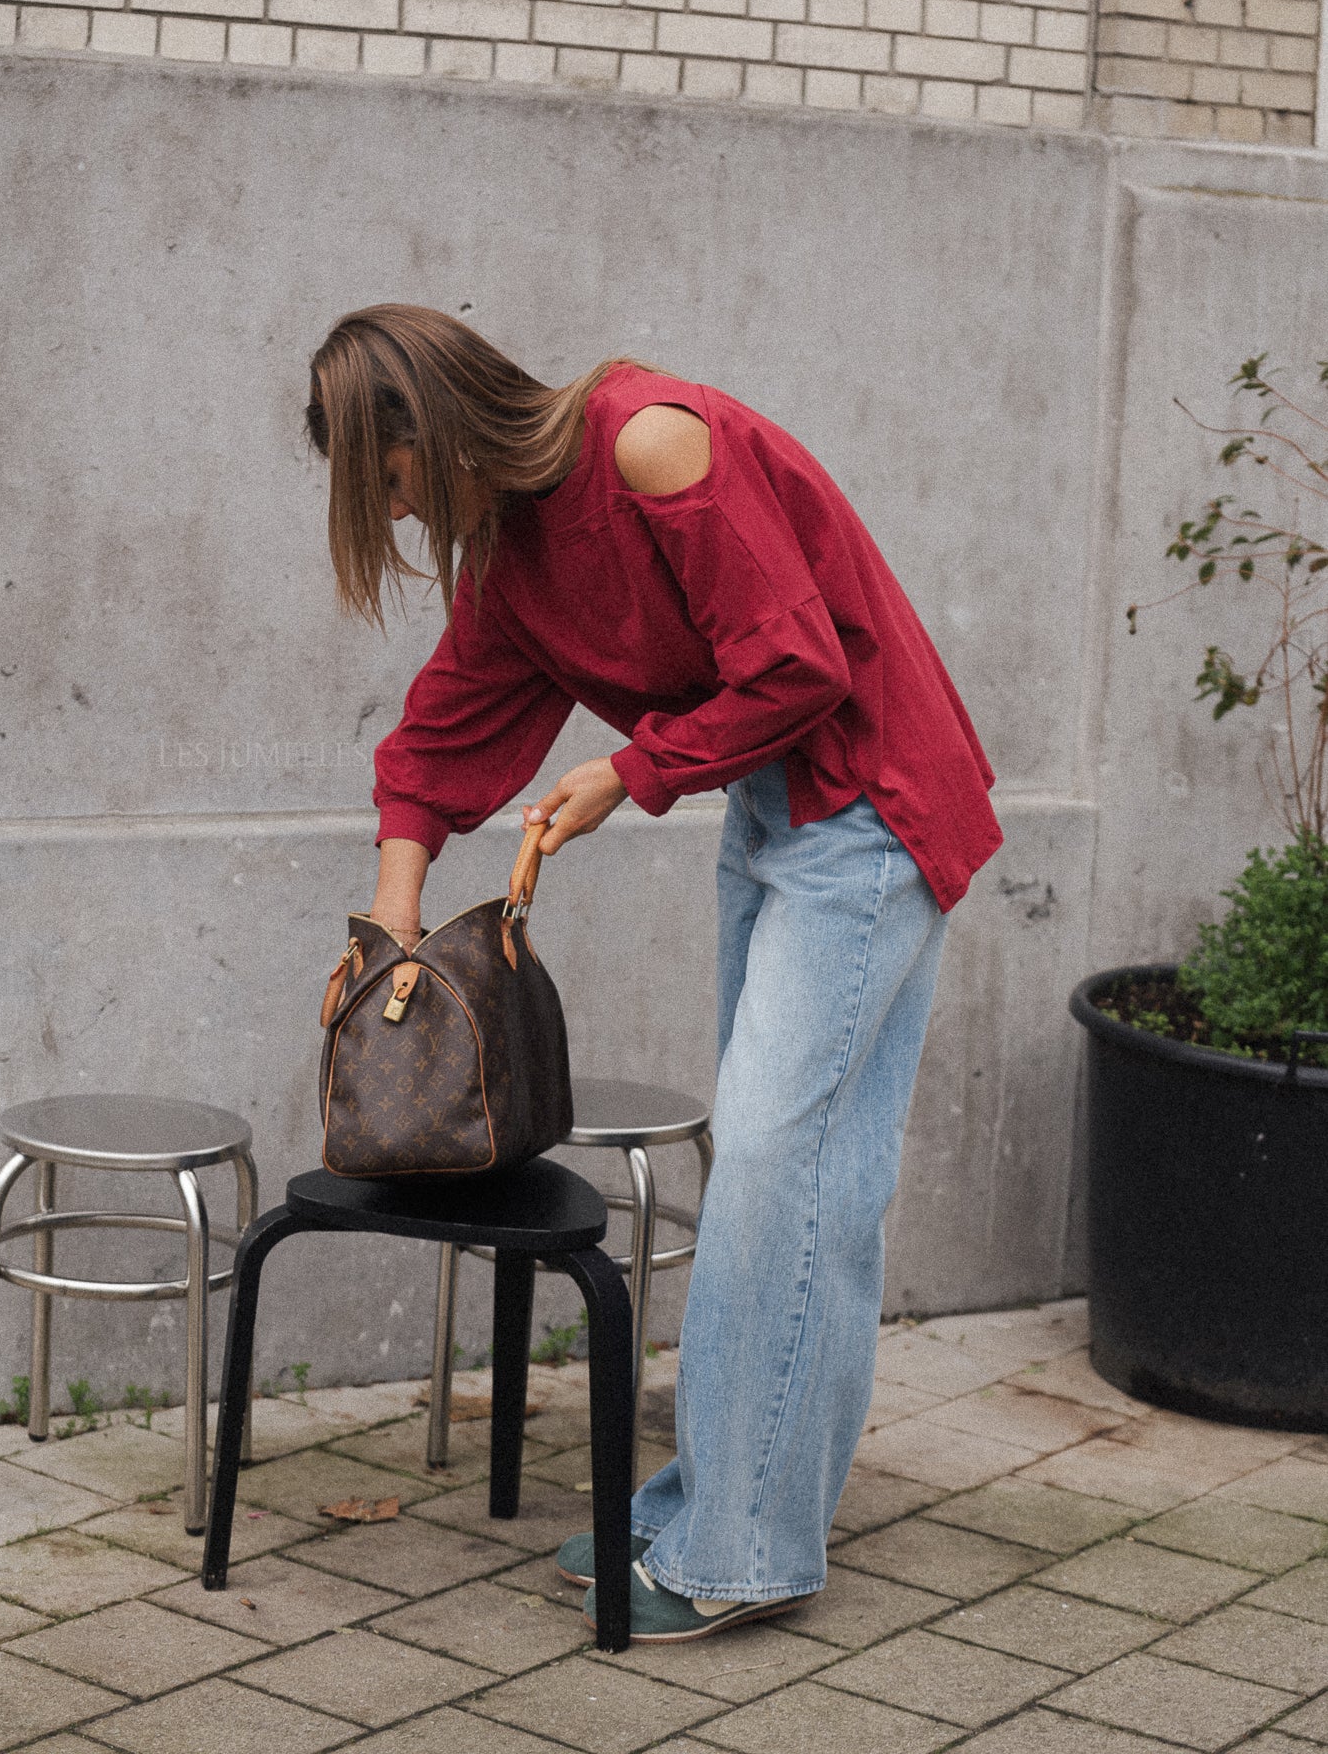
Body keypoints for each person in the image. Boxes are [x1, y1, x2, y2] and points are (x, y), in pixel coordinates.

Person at [304, 302, 1003, 1643]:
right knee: (817, 1188)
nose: (393, 517)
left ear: (433, 432)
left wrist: (629, 771)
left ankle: (737, 1552)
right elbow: (440, 735)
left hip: (869, 810)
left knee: (771, 1170)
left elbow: (796, 665)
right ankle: (724, 1501)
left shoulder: (650, 444)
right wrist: (386, 935)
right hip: (776, 817)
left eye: (386, 481)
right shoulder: (512, 564)